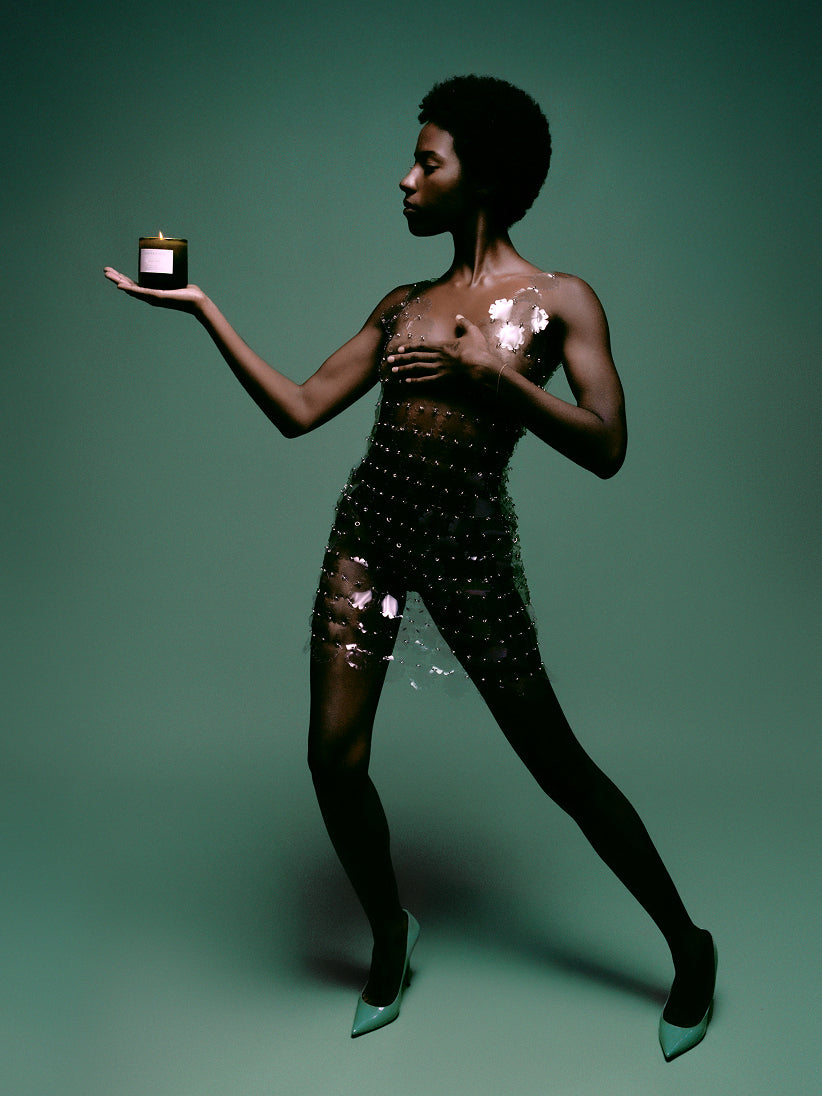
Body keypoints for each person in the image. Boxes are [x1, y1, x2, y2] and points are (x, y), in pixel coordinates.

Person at [104, 75, 716, 1059]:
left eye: (426, 162)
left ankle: (690, 945)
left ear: (484, 178)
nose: (405, 178)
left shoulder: (560, 302)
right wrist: (202, 308)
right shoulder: (404, 305)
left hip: (469, 550)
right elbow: (302, 407)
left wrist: (492, 381)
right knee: (333, 759)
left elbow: (607, 445)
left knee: (557, 765)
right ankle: (391, 930)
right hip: (369, 539)